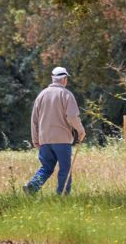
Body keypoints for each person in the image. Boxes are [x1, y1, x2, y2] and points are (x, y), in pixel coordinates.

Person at [23, 66, 85, 195]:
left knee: (46, 167)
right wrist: (80, 131)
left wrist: (35, 140)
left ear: (52, 78)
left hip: (44, 139)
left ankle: (32, 187)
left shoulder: (41, 95)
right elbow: (72, 116)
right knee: (65, 169)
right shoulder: (66, 94)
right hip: (62, 139)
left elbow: (34, 120)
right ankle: (62, 195)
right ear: (64, 79)